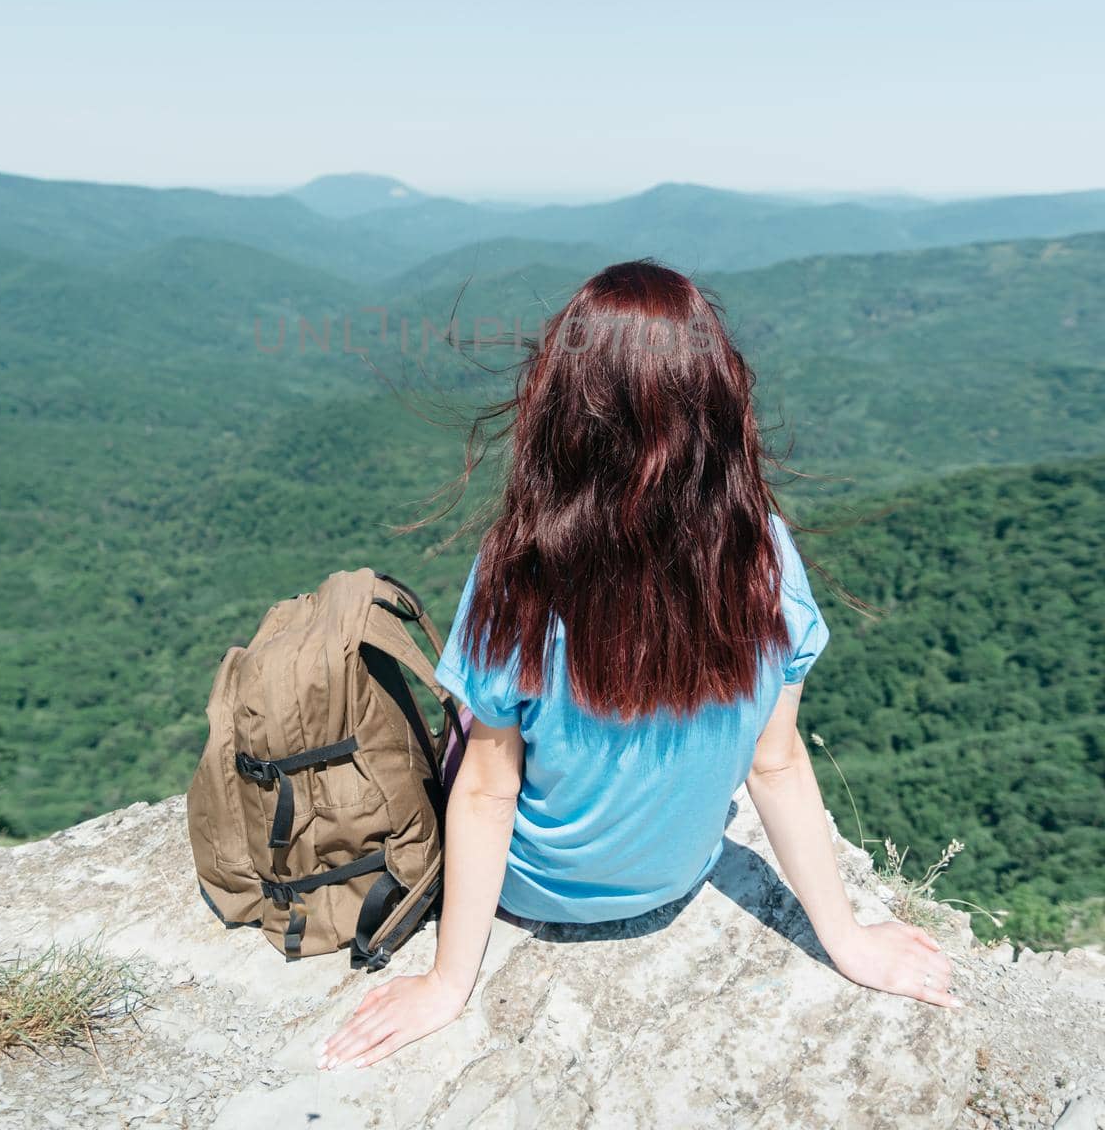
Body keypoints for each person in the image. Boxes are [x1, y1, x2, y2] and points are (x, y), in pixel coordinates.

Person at [319, 260, 961, 1071]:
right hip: (675, 880)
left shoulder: (518, 566)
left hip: (531, 892)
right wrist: (850, 941)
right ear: (718, 408)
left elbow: (487, 787)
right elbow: (776, 762)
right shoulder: (764, 558)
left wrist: (451, 984)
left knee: (473, 718)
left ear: (563, 411)